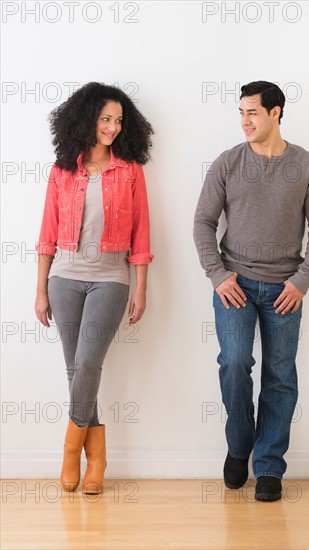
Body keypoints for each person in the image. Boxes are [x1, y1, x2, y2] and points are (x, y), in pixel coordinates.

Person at [193, 80, 309, 501]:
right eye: (240, 112)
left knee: (280, 375)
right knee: (234, 363)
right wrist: (218, 275)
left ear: (276, 113)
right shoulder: (227, 162)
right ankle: (239, 447)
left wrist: (303, 280)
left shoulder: (306, 165)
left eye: (252, 112)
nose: (244, 121)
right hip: (234, 284)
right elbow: (203, 222)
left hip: (285, 289)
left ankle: (269, 465)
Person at [35, 82, 154, 495]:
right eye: (106, 119)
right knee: (76, 370)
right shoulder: (62, 170)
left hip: (111, 278)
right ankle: (97, 459)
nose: (113, 127)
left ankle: (70, 451)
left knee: (87, 363)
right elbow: (46, 233)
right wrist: (40, 289)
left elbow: (142, 235)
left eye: (119, 121)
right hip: (63, 276)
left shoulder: (130, 171)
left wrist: (141, 287)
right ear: (87, 119)